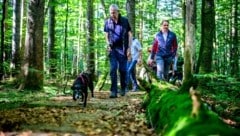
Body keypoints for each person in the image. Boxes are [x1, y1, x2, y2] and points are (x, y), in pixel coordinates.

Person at [104, 4, 132, 98]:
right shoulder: (107, 22)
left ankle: (123, 88)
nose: (112, 14)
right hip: (113, 49)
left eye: (114, 12)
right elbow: (106, 35)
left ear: (118, 11)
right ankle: (113, 91)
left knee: (123, 70)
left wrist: (129, 48)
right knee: (113, 69)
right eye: (111, 13)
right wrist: (108, 44)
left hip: (123, 49)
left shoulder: (124, 21)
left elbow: (130, 35)